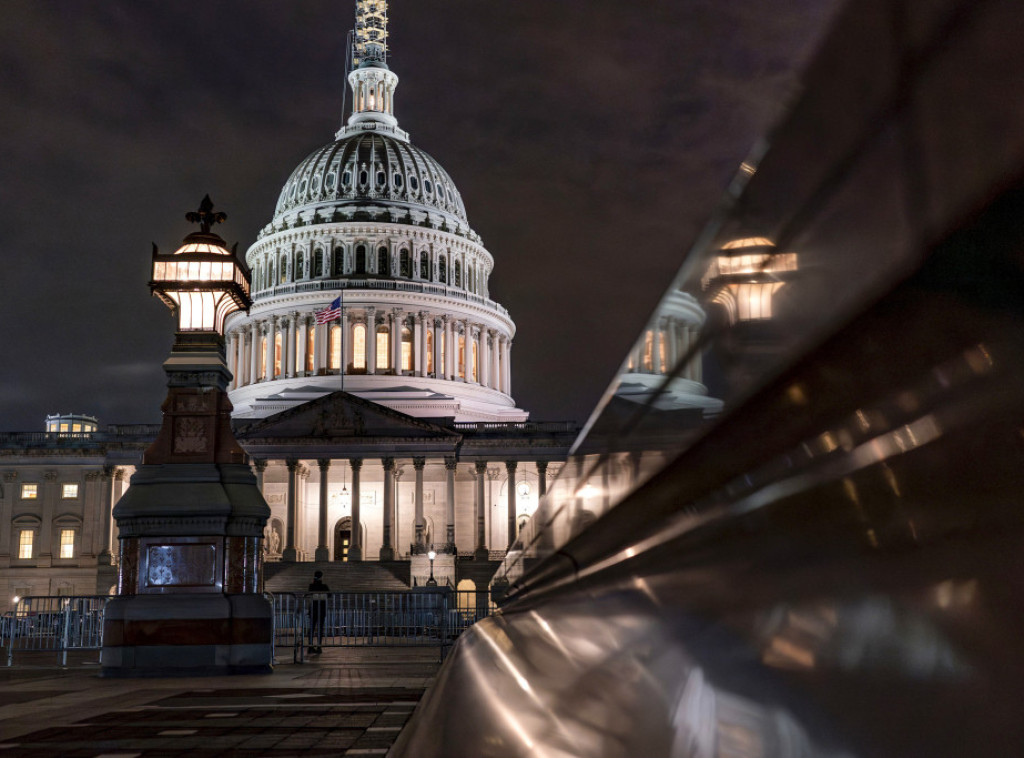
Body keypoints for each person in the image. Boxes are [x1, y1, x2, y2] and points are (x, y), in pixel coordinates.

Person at [307, 570, 330, 655]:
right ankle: (319, 646)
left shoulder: (311, 586)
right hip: (321, 610)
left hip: (313, 609)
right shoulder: (324, 586)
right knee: (320, 629)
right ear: (322, 577)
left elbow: (309, 595)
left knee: (311, 629)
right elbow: (329, 595)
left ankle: (310, 646)